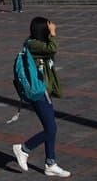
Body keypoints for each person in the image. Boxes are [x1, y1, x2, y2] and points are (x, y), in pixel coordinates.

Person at [12, 16, 70, 177]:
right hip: (38, 92)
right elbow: (53, 48)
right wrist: (53, 33)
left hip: (44, 91)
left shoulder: (35, 43)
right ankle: (23, 148)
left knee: (51, 128)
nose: (50, 28)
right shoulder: (33, 44)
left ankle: (50, 163)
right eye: (47, 27)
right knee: (51, 128)